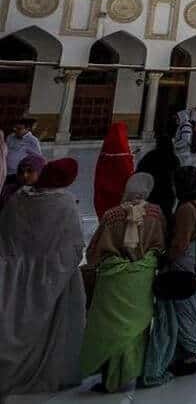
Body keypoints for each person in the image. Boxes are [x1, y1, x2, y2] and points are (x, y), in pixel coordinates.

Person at [0, 157, 85, 397]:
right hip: (53, 280)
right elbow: (74, 247)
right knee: (47, 330)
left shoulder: (17, 198)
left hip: (11, 277)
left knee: (14, 322)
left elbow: (4, 235)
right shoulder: (64, 203)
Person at [80, 170, 164, 393]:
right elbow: (160, 245)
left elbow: (94, 251)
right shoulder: (155, 213)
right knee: (136, 329)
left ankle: (109, 376)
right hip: (141, 280)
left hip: (114, 280)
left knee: (110, 326)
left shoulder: (111, 215)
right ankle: (129, 371)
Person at [143, 166, 196, 385]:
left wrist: (164, 260)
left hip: (187, 260)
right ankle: (187, 352)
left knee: (182, 310)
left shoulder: (187, 208)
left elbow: (180, 243)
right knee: (195, 306)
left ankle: (188, 354)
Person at [137, 135, 181, 240]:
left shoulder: (150, 156)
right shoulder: (173, 158)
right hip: (167, 194)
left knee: (149, 217)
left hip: (151, 193)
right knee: (165, 217)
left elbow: (139, 173)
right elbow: (177, 177)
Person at [93, 122, 136, 217]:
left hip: (104, 190)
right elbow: (128, 172)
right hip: (119, 194)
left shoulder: (106, 150)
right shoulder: (124, 152)